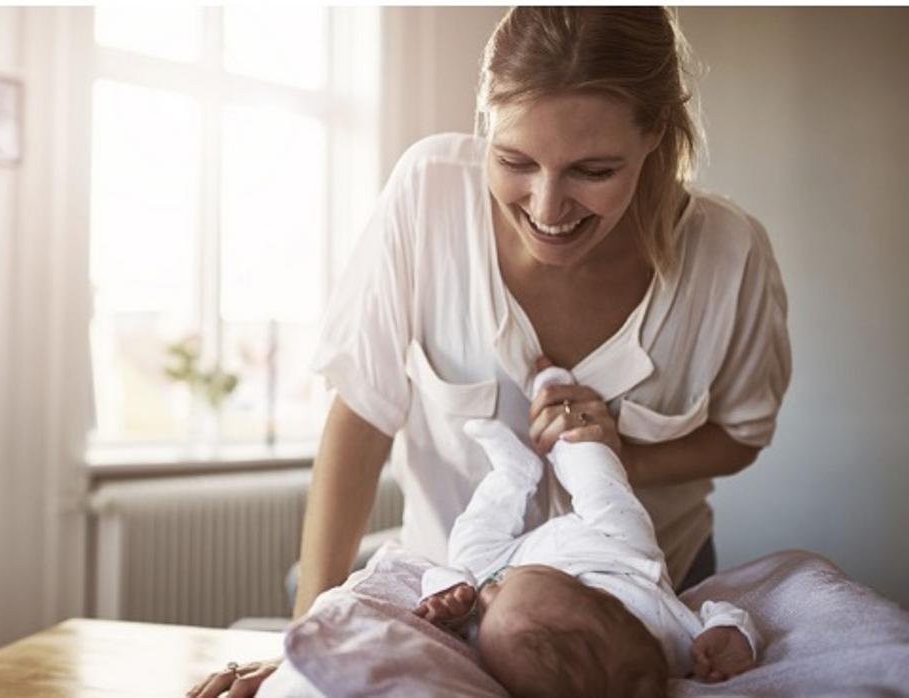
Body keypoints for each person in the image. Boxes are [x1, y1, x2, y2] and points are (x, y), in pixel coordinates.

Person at [190, 6, 789, 696]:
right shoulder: (428, 194)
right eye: (514, 160)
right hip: (446, 607)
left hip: (639, 622)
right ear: (486, 119)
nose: (548, 206)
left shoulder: (730, 256)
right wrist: (304, 643)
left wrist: (627, 453)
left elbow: (741, 435)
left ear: (656, 131)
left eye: (592, 170)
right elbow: (362, 415)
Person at [413, 365, 759, 695]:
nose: (490, 594)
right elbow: (718, 615)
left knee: (465, 553)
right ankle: (563, 414)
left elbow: (452, 597)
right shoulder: (669, 639)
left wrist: (448, 599)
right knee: (599, 483)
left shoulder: (504, 643)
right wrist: (731, 634)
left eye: (490, 610)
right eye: (498, 596)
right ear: (592, 596)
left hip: (521, 561)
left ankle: (512, 475)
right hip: (615, 552)